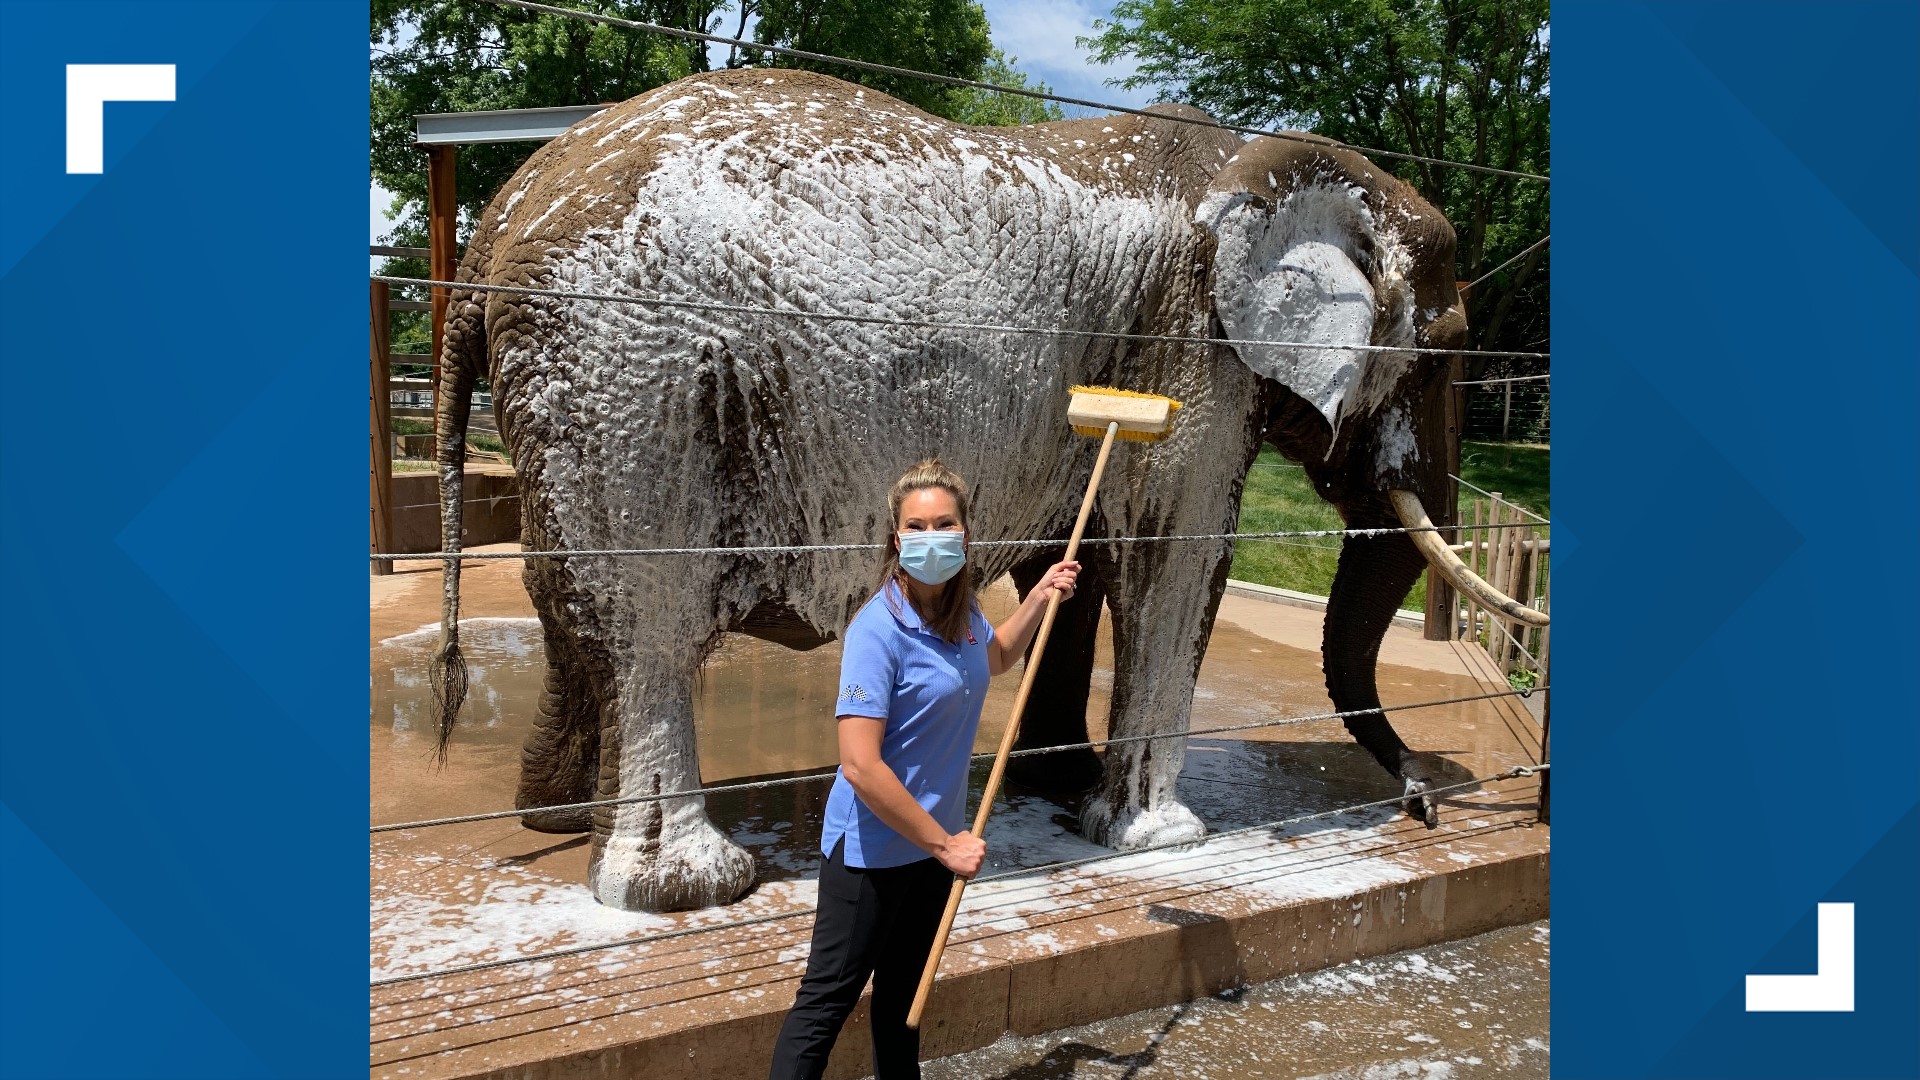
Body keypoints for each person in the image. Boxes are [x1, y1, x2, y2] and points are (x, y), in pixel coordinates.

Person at [767, 459, 1080, 1080]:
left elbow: (991, 659)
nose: (930, 535)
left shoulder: (963, 616)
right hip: (874, 853)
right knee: (825, 1005)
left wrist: (1040, 597)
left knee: (902, 1008)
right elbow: (859, 764)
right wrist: (945, 844)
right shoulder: (876, 633)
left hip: (935, 853)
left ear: (964, 536)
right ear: (896, 538)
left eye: (944, 523)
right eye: (917, 525)